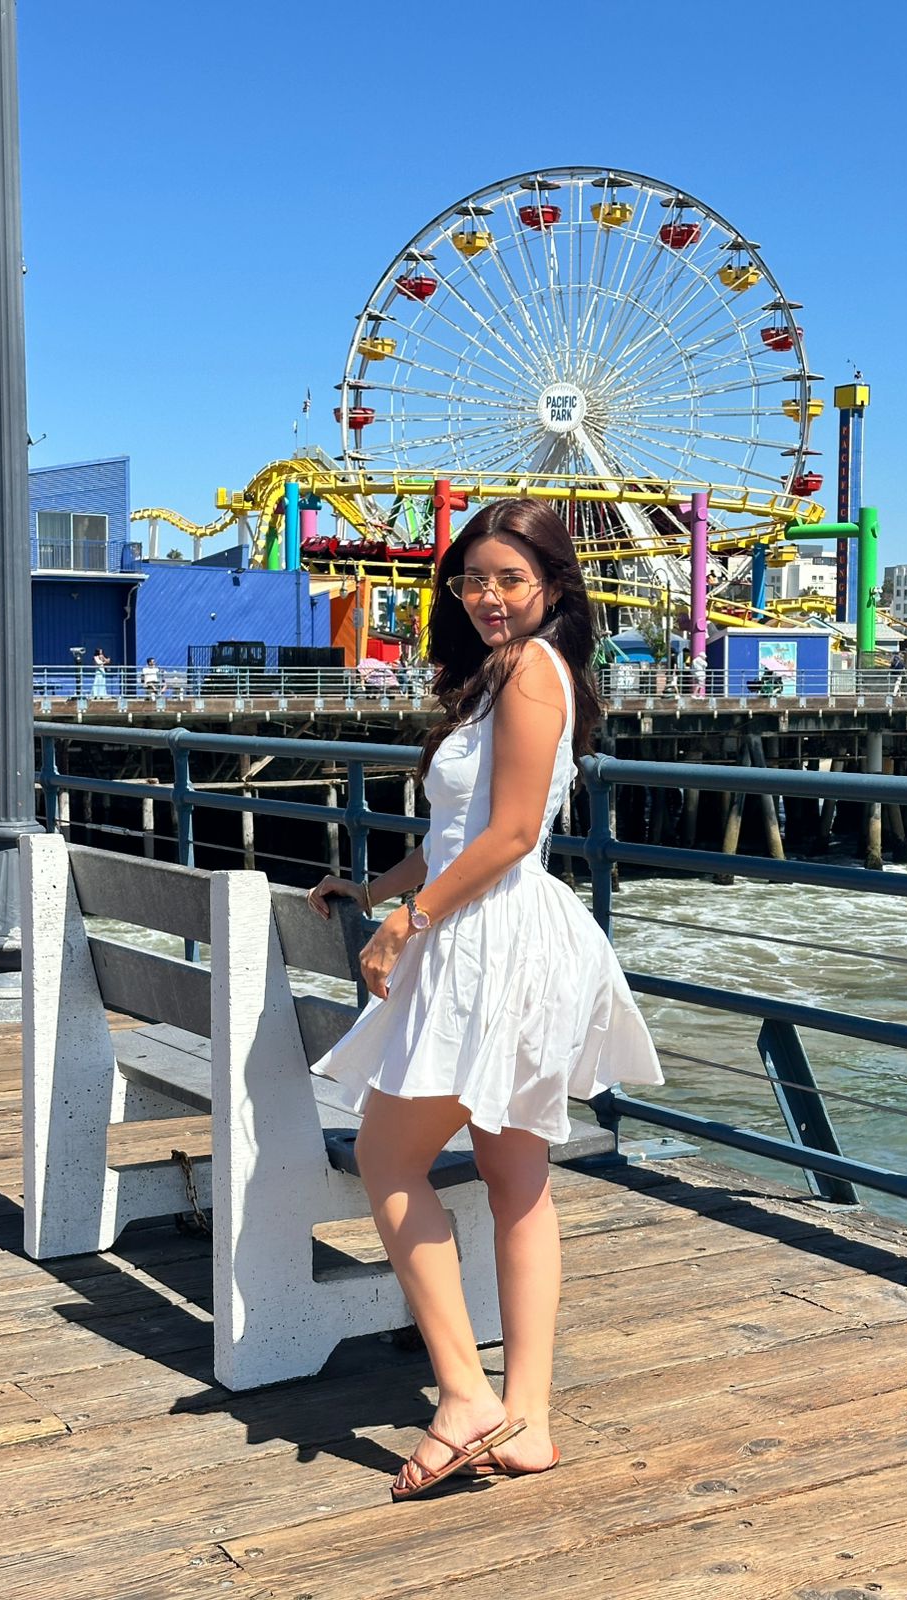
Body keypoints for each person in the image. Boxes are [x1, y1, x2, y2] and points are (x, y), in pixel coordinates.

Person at [306, 499, 663, 1501]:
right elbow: (457, 832)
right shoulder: (492, 680)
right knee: (516, 1172)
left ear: (552, 586)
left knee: (388, 1153)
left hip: (492, 941)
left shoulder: (535, 672)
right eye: (472, 580)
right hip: (485, 930)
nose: (488, 597)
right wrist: (375, 888)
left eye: (509, 579)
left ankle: (465, 1392)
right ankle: (530, 1421)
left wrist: (408, 921)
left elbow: (509, 835)